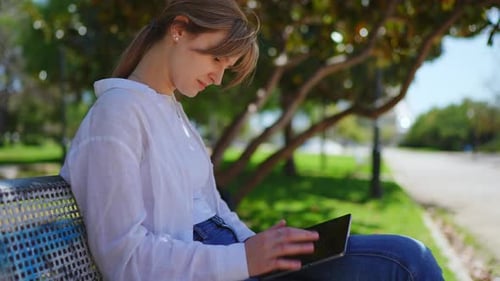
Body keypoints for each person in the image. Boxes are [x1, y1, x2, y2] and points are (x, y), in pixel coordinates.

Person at [60, 0, 445, 280]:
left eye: (226, 68)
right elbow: (123, 259)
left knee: (401, 258)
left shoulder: (169, 110)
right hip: (221, 266)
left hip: (231, 258)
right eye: (216, 60)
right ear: (179, 30)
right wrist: (245, 259)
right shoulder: (117, 114)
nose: (218, 78)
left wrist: (261, 243)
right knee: (407, 263)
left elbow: (212, 210)